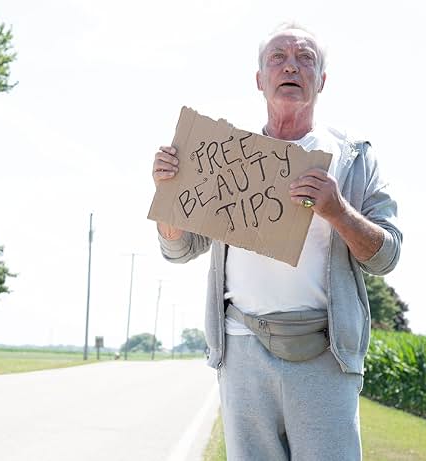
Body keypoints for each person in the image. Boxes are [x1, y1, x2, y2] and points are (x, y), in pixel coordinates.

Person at [152, 22, 401, 461]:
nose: (291, 66)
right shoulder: (227, 156)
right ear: (259, 79)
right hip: (241, 347)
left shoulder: (352, 157)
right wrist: (170, 196)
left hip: (324, 352)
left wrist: (337, 210)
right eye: (278, 58)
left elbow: (386, 256)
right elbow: (179, 249)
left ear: (322, 80)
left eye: (305, 58)